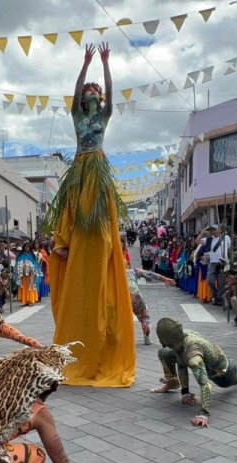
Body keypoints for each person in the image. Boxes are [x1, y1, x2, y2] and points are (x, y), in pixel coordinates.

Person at [44, 43, 137, 387]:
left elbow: (113, 94)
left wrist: (106, 64)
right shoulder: (78, 117)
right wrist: (84, 64)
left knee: (97, 223)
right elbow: (73, 93)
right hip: (80, 170)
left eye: (95, 93)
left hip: (96, 169)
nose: (92, 97)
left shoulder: (103, 117)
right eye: (89, 94)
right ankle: (66, 241)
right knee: (72, 211)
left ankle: (95, 244)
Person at [150, 317, 237, 427]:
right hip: (205, 357)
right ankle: (173, 382)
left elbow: (205, 385)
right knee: (164, 353)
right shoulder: (182, 337)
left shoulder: (193, 356)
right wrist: (185, 392)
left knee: (232, 380)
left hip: (224, 373)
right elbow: (181, 363)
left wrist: (204, 414)